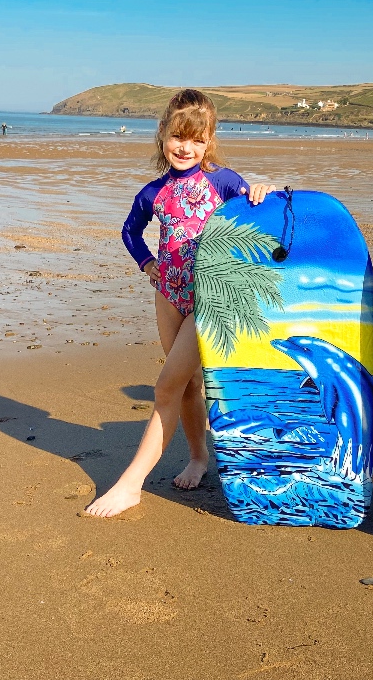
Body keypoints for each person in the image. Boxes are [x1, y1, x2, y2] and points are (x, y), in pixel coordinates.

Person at [86, 89, 275, 518]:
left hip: (209, 296)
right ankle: (198, 456)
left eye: (197, 139)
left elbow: (260, 216)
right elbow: (130, 233)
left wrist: (262, 190)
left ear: (209, 141)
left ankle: (130, 485)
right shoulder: (153, 192)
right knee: (188, 384)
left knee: (166, 386)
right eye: (178, 137)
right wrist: (147, 264)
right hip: (168, 294)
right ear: (163, 136)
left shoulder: (224, 182)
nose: (185, 147)